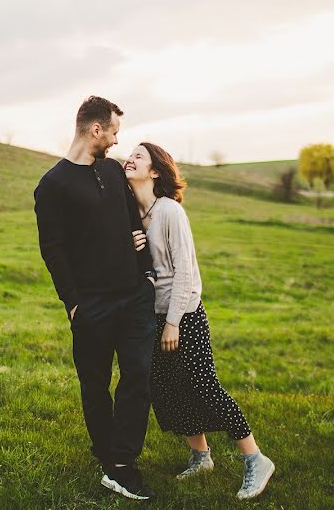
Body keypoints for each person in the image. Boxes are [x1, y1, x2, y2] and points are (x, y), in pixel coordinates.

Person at [125, 142, 275, 500]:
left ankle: (256, 459)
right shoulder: (135, 215)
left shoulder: (169, 212)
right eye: (129, 154)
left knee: (204, 386)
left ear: (156, 171)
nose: (129, 158)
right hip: (155, 316)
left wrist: (174, 321)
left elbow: (186, 274)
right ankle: (201, 456)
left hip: (185, 315)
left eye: (139, 156)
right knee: (170, 390)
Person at [33, 96, 158, 501]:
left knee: (138, 375)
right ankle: (106, 452)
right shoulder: (52, 186)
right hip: (92, 305)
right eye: (115, 132)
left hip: (135, 296)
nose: (118, 141)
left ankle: (122, 463)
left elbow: (130, 220)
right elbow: (53, 249)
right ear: (96, 130)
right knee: (95, 385)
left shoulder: (111, 171)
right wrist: (72, 303)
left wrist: (145, 268)